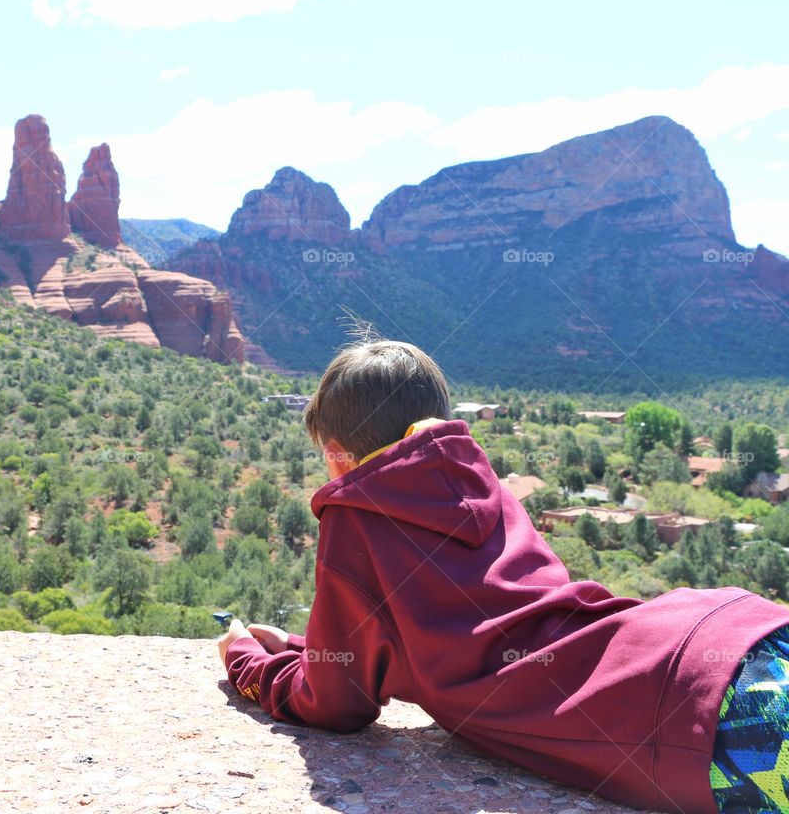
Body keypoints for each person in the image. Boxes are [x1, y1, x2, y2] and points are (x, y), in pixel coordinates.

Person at [218, 339, 789, 814]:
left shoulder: (357, 513)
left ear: (338, 454)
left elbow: (334, 705)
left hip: (707, 715)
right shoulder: (480, 480)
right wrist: (307, 647)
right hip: (730, 636)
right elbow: (481, 622)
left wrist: (249, 663)